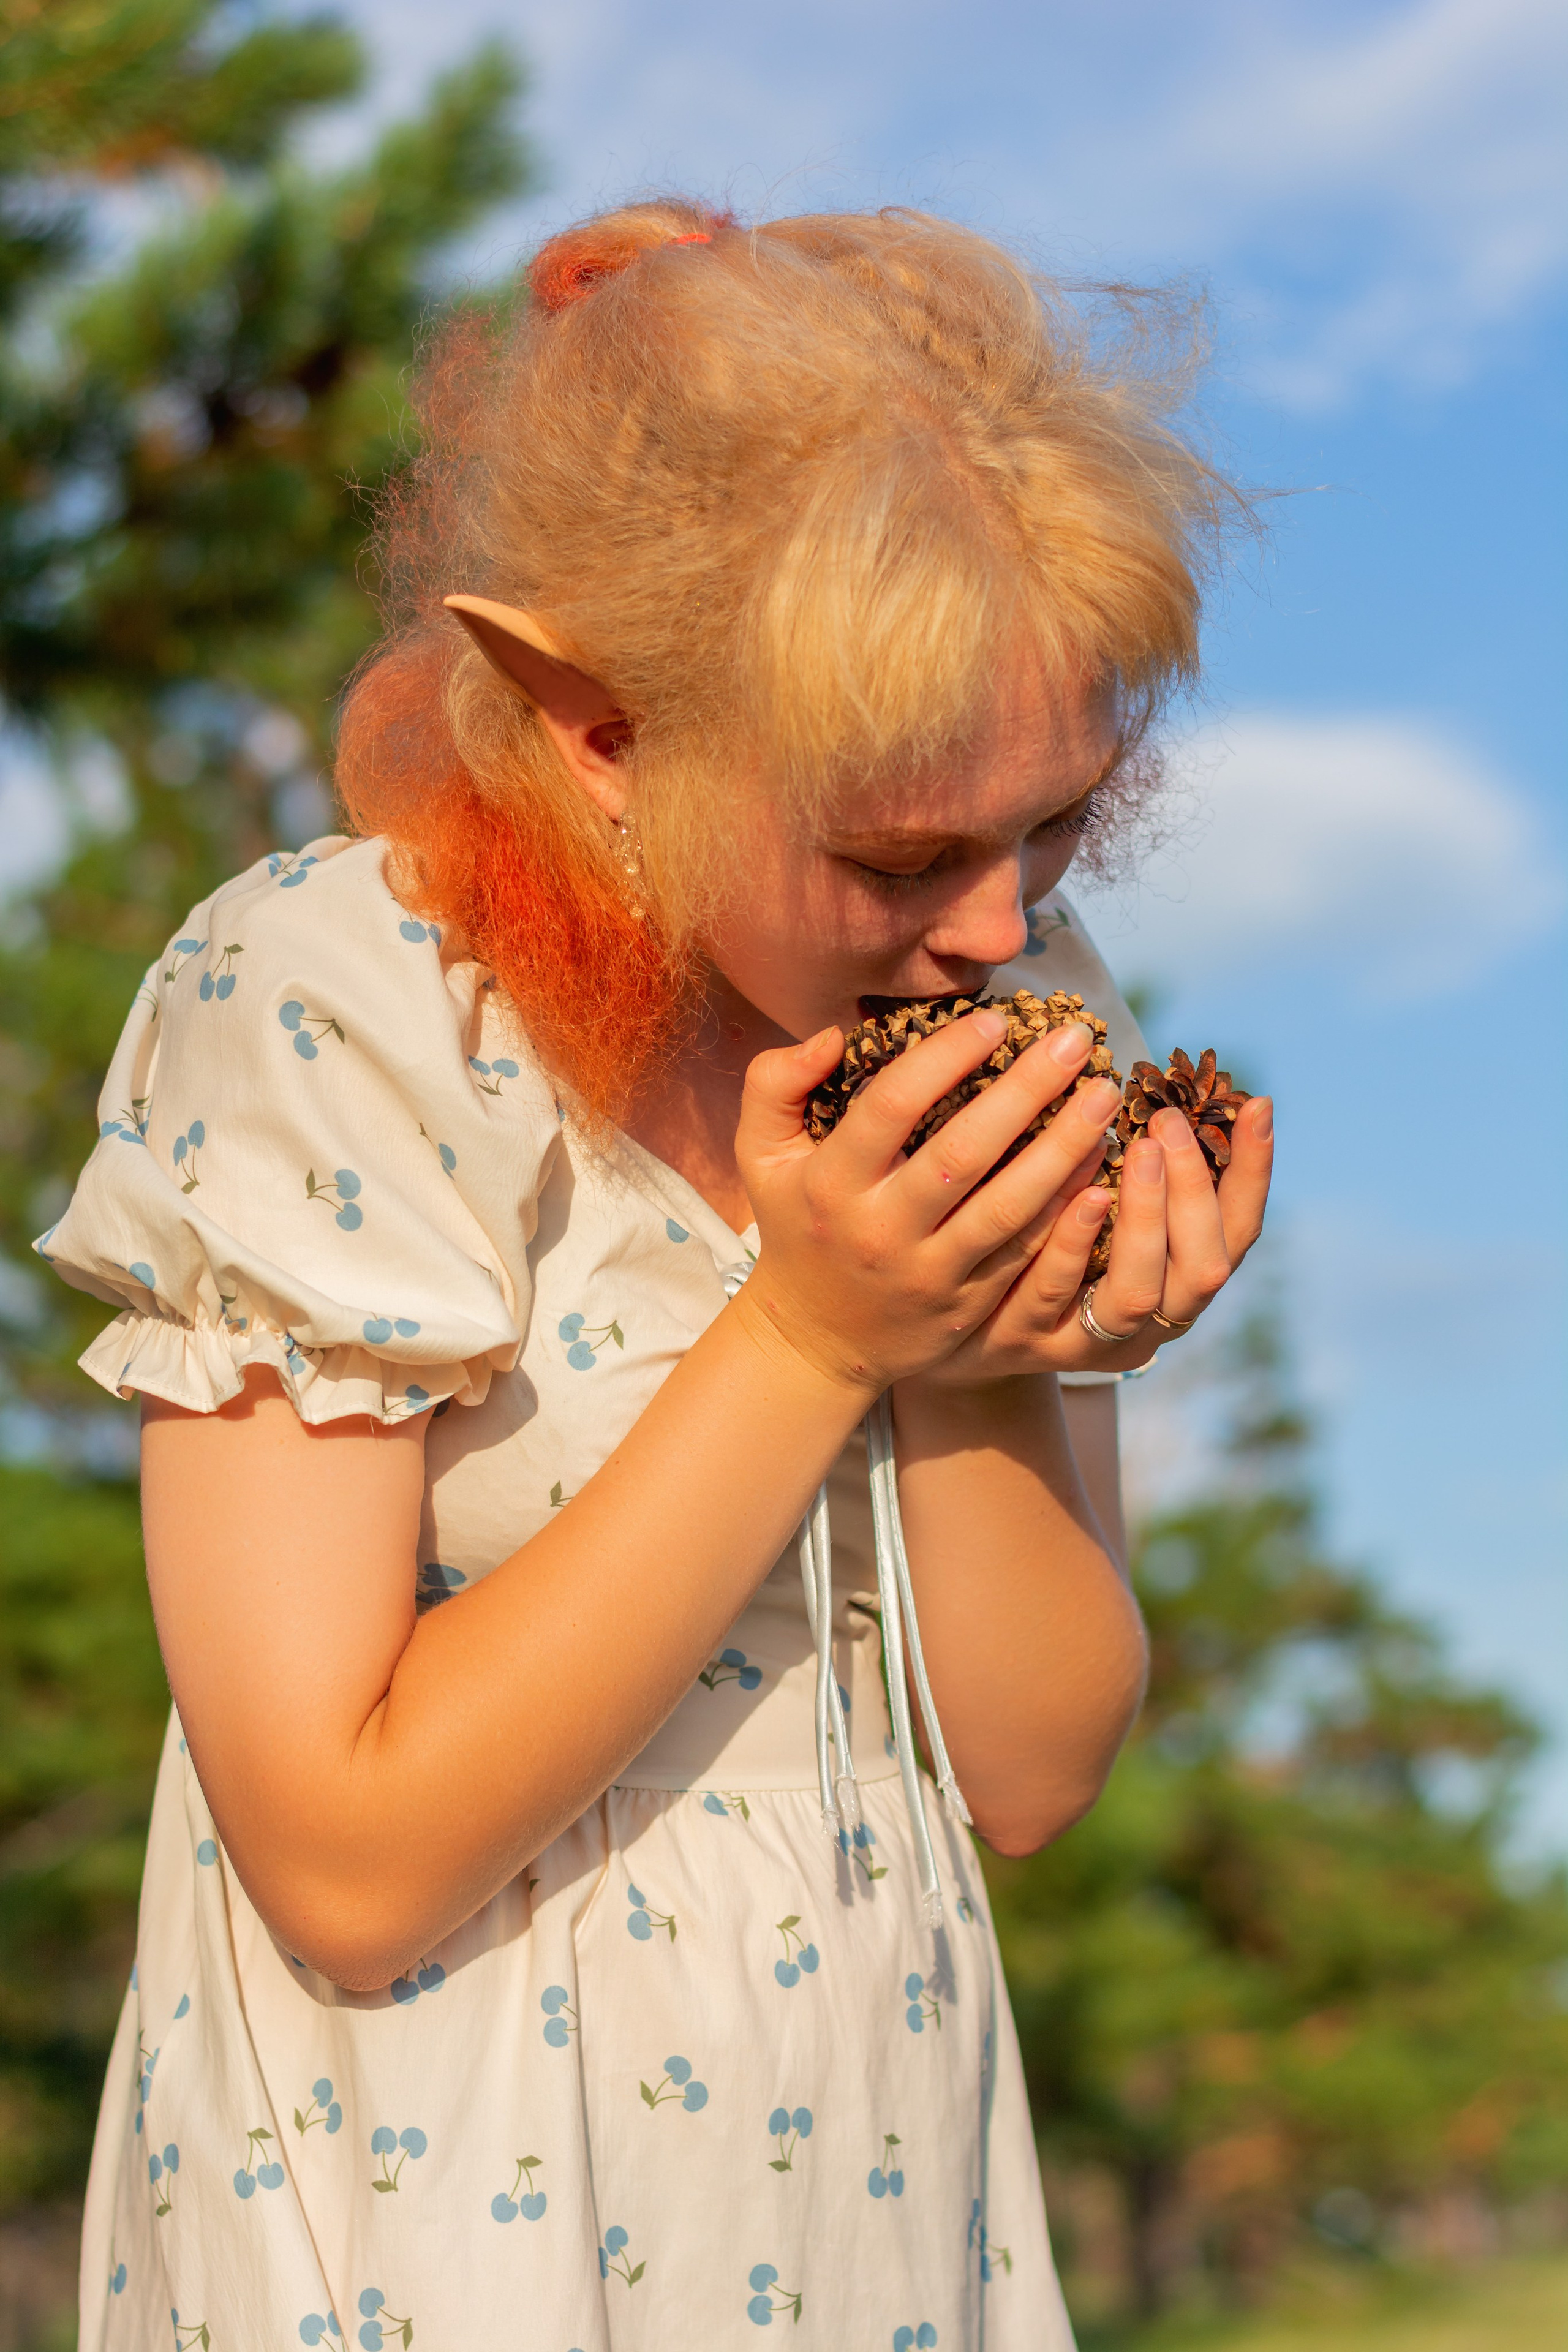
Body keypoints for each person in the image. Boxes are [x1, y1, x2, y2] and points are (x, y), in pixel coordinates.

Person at [44, 201, 1273, 2350]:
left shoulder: (968, 996)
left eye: (1061, 823)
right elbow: (342, 1862)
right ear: (594, 724)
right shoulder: (347, 1009)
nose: (999, 927)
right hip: (442, 2194)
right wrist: (813, 1336)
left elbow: (1031, 1771)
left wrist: (985, 1354)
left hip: (867, 2176)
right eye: (900, 851)